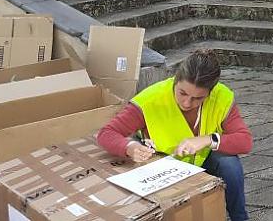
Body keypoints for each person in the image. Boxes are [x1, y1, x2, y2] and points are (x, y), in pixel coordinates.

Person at [98, 50, 252, 221]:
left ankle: (240, 218)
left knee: (229, 164)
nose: (187, 103)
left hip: (204, 160)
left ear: (210, 92)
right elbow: (106, 133)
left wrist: (208, 139)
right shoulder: (150, 100)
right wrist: (129, 147)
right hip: (164, 167)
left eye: (198, 98)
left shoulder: (222, 97)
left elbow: (245, 142)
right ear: (175, 80)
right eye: (182, 93)